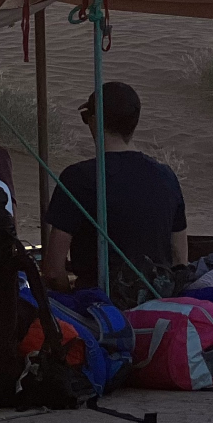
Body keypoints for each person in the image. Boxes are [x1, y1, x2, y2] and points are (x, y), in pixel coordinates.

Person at [42, 81, 187, 294]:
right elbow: (179, 258)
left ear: (94, 121)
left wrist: (71, 298)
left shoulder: (79, 178)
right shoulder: (166, 176)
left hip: (100, 311)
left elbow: (54, 271)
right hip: (158, 306)